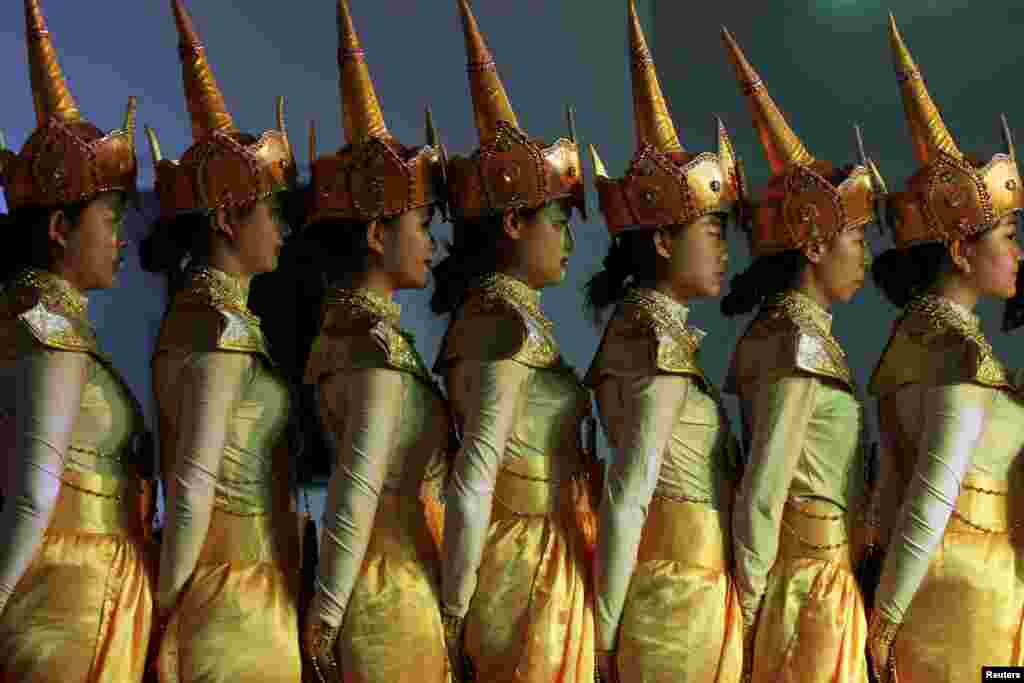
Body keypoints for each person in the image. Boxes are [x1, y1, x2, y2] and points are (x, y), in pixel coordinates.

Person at [430, 1, 597, 681]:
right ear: (512, 225)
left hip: (547, 552)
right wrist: (454, 605)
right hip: (525, 565)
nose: (567, 238)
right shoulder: (498, 324)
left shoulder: (510, 317)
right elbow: (474, 479)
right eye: (555, 220)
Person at [580, 2, 745, 681]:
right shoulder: (656, 342)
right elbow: (627, 493)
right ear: (661, 239)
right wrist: (602, 632)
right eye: (709, 231)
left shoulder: (639, 329)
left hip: (686, 596)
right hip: (678, 606)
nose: (723, 249)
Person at [140, 1, 303, 680]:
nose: (283, 231)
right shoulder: (217, 328)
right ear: (232, 220)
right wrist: (167, 608)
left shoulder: (203, 317)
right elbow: (194, 481)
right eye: (272, 213)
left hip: (245, 587)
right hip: (232, 598)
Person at [720, 27, 885, 683]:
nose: (865, 253)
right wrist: (755, 617)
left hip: (826, 587)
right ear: (814, 248)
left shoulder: (794, 333)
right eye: (854, 237)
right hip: (807, 596)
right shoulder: (796, 343)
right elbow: (763, 492)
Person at [0, 0, 155, 680]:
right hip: (67, 594)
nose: (120, 238)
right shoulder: (49, 332)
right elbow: (34, 493)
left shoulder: (29, 321)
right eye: (108, 219)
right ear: (61, 228)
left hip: (80, 586)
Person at [866, 15, 1024, 681]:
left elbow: (888, 494)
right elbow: (929, 493)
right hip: (968, 589)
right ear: (962, 250)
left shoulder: (911, 337)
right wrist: (883, 621)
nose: (1018, 253)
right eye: (1009, 235)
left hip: (935, 582)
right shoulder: (957, 357)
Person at [298, 1, 453, 681]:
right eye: (420, 223)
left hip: (397, 575)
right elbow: (356, 486)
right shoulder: (372, 349)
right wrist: (327, 618)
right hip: (388, 588)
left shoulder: (354, 334)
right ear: (375, 235)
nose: (431, 241)